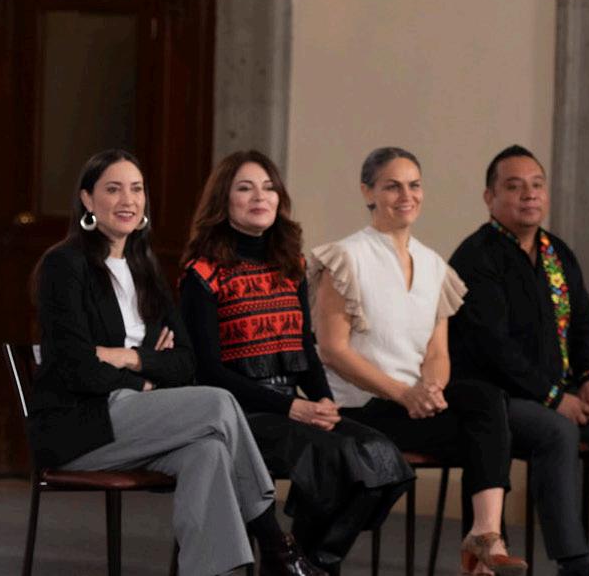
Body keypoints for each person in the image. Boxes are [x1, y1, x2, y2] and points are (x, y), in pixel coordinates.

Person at [30, 149, 323, 576]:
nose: (128, 200)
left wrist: (130, 357)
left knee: (208, 452)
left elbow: (185, 363)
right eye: (113, 189)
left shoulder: (144, 268)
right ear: (88, 200)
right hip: (81, 426)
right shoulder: (66, 265)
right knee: (218, 402)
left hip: (140, 420)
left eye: (136, 189)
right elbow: (76, 366)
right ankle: (277, 545)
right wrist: (147, 377)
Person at [178, 150, 412, 574]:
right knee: (334, 459)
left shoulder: (291, 266)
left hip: (293, 406)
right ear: (223, 201)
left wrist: (324, 403)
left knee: (384, 458)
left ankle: (310, 559)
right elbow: (209, 371)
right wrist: (292, 407)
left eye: (269, 188)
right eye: (245, 188)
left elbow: (305, 350)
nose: (260, 197)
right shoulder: (203, 273)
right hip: (240, 415)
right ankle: (299, 565)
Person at [448, 145, 589, 576]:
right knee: (557, 430)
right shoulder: (476, 257)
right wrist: (554, 399)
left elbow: (585, 323)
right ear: (490, 198)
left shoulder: (556, 253)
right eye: (514, 187)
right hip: (498, 400)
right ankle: (574, 563)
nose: (529, 194)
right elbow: (494, 348)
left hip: (560, 393)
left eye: (537, 185)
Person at [307, 147, 525, 576]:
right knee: (487, 441)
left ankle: (485, 535)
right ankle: (480, 556)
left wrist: (431, 389)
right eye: (392, 186)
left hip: (409, 408)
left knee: (486, 402)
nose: (406, 196)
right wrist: (405, 394)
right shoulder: (346, 257)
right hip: (358, 409)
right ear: (368, 192)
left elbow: (437, 353)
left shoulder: (433, 265)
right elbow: (333, 349)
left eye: (414, 185)